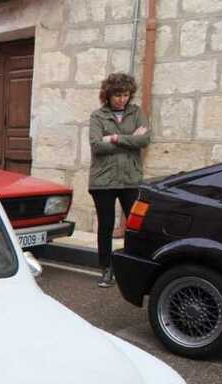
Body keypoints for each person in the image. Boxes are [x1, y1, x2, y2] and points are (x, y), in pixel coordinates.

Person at [88, 72, 151, 288]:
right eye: (117, 95)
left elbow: (144, 139)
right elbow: (96, 145)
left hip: (130, 179)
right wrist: (130, 139)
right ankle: (106, 269)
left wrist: (114, 138)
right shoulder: (98, 116)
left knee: (134, 226)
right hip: (102, 180)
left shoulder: (136, 113)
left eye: (125, 95)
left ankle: (132, 269)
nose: (122, 99)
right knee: (105, 225)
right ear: (108, 95)